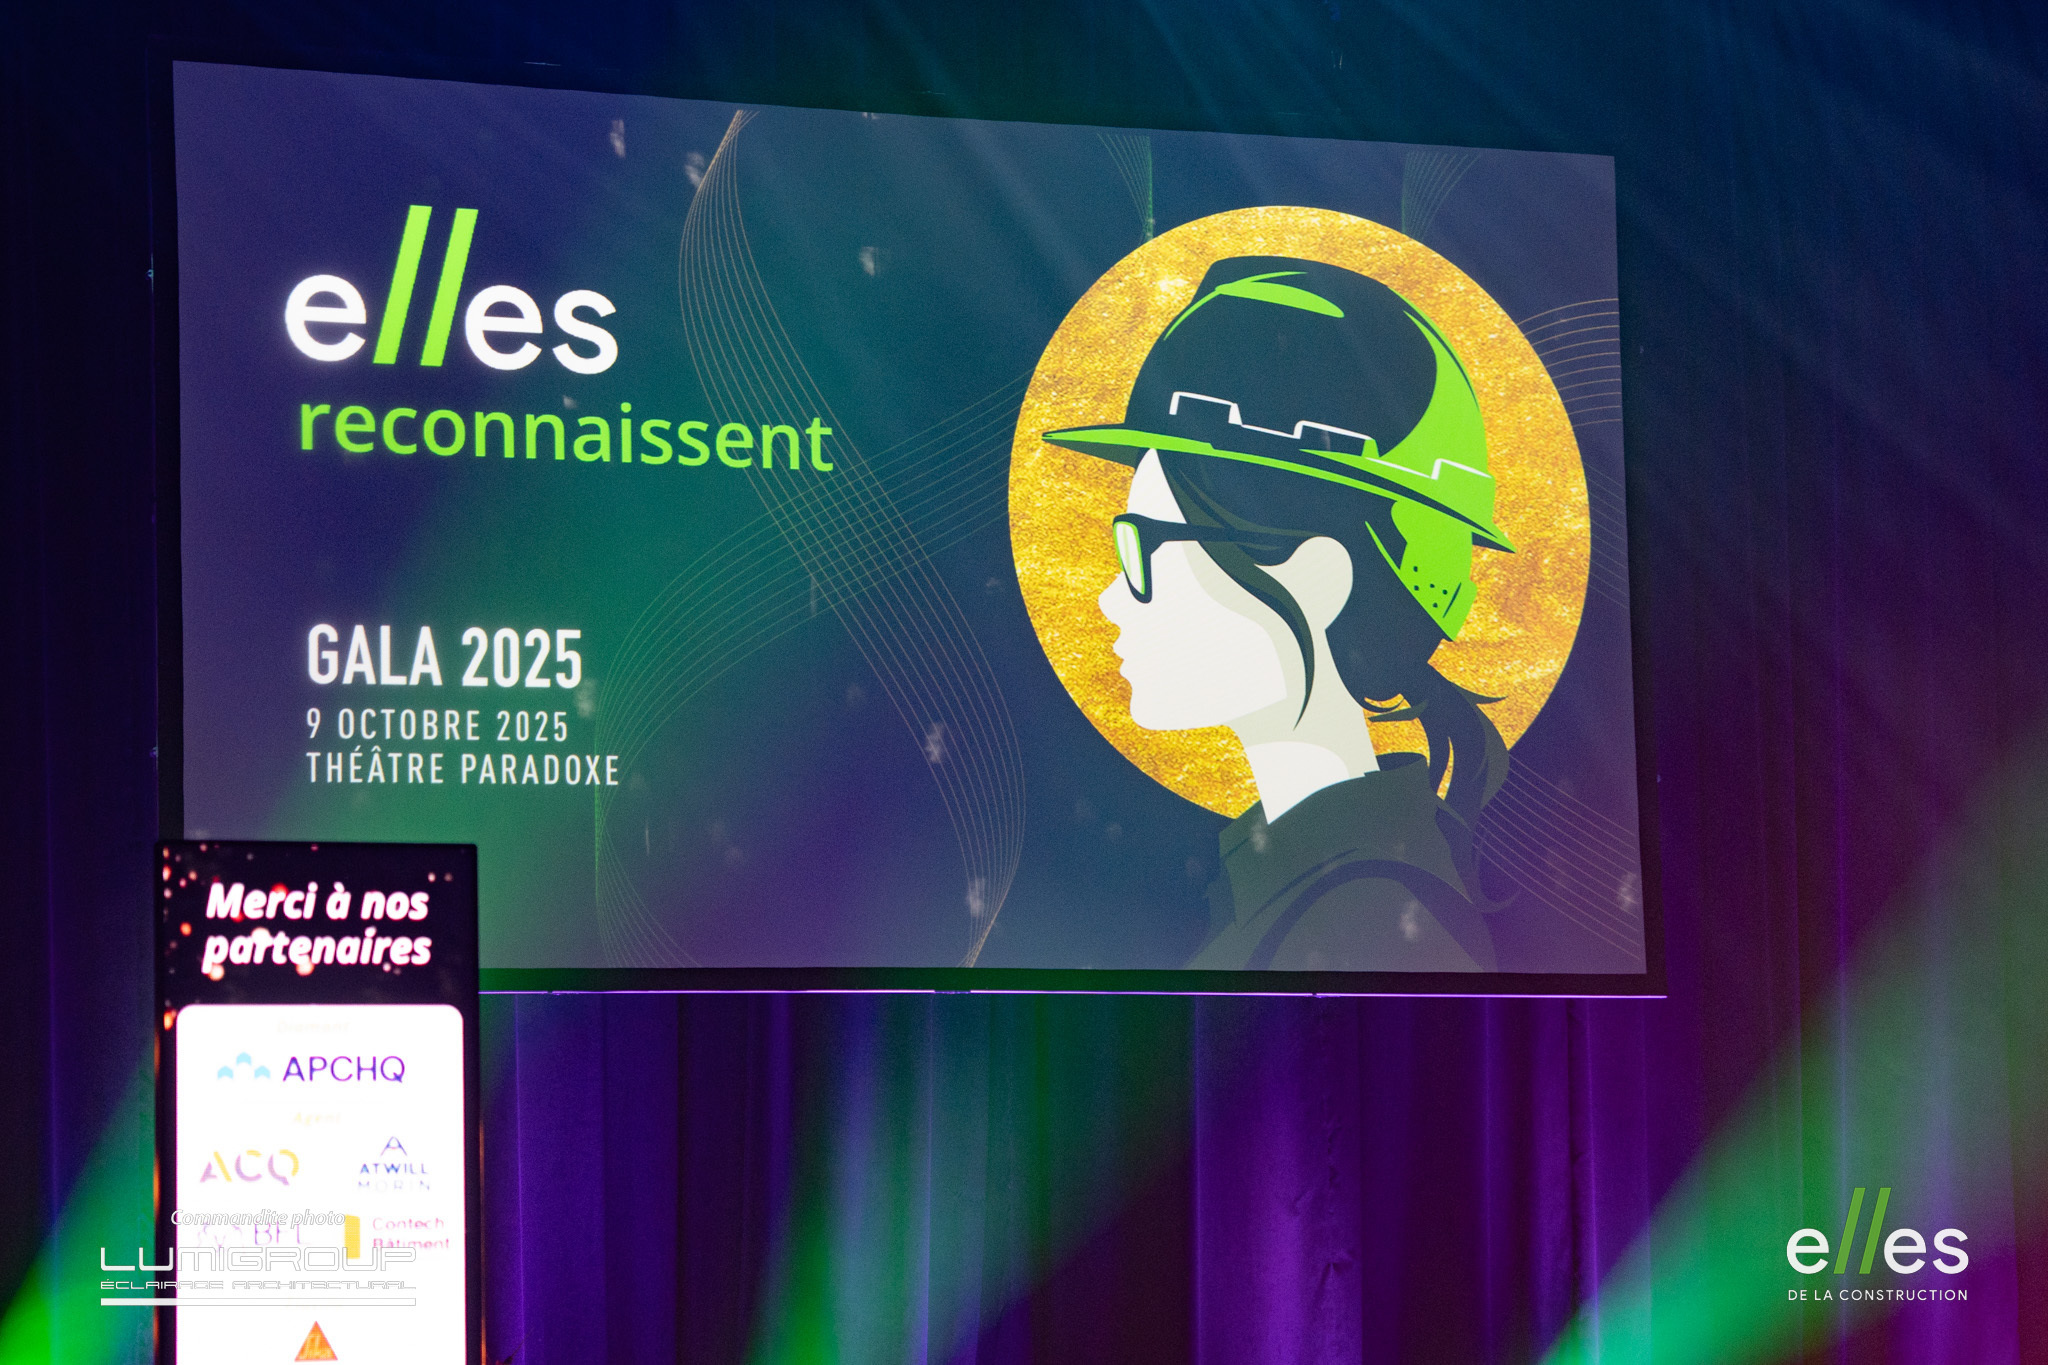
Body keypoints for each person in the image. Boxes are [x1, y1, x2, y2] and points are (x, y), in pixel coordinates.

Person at [1043, 256, 1514, 971]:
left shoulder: (1367, 922)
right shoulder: (1312, 884)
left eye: (1146, 545)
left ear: (1318, 579)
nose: (1113, 597)